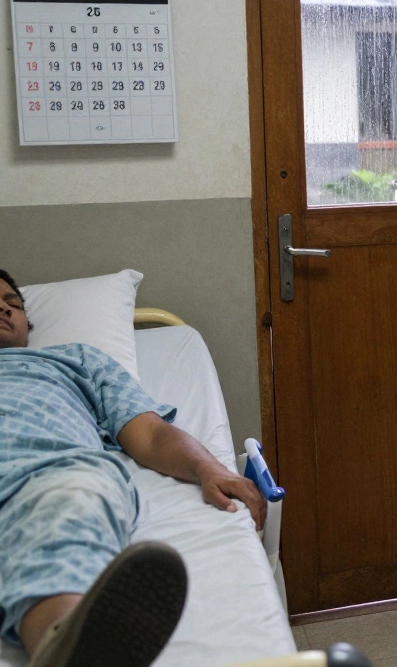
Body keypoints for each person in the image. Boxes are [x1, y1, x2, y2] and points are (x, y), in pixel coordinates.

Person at [0, 269, 267, 667]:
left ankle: (63, 646)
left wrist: (209, 468)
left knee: (71, 505)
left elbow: (151, 436)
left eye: (13, 303)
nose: (4, 309)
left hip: (49, 479)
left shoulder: (75, 361)